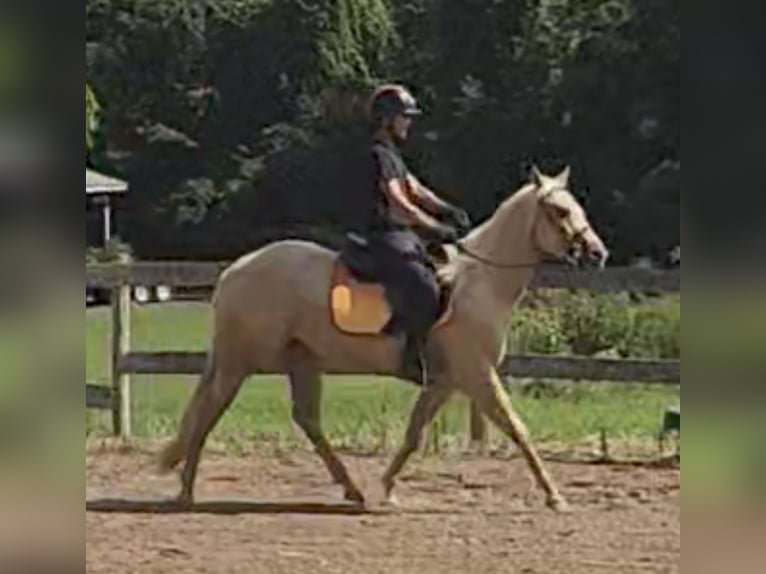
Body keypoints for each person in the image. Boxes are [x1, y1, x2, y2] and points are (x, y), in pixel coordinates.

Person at [363, 83, 471, 384]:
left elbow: (416, 189)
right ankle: (410, 357)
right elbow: (400, 202)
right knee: (425, 286)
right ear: (387, 119)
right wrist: (434, 228)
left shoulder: (391, 152)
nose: (409, 121)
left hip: (401, 233)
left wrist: (448, 209)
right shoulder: (378, 154)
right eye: (404, 116)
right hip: (382, 235)